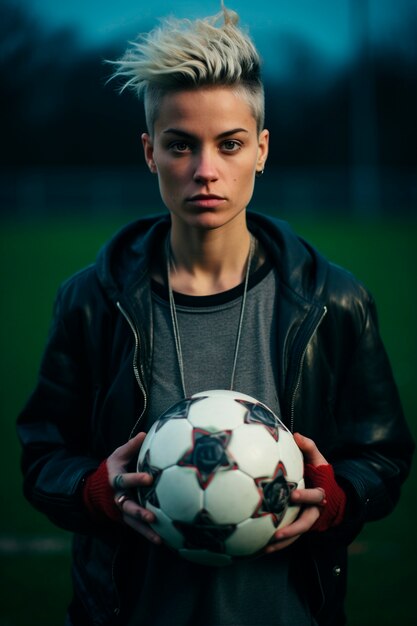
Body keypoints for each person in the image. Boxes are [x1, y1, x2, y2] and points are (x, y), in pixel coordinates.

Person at [17, 4, 413, 626]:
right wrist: (95, 491)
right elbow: (42, 455)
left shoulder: (334, 302)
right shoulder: (91, 301)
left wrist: (337, 499)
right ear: (150, 152)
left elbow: (383, 456)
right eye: (180, 145)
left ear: (261, 149)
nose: (205, 171)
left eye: (229, 144)